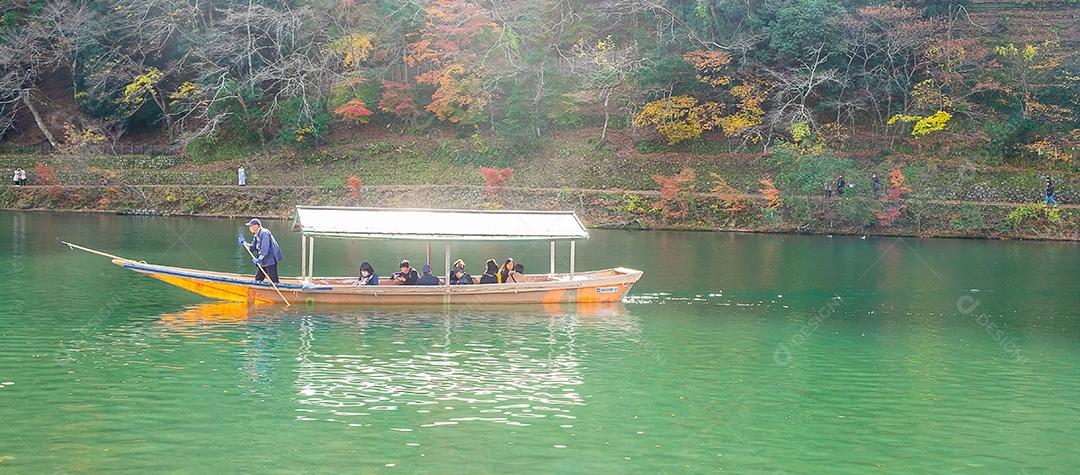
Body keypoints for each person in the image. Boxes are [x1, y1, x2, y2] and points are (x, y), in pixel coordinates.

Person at [238, 218, 284, 283]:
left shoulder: (264, 233)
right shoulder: (256, 235)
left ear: (256, 226)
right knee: (258, 278)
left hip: (270, 260)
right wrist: (244, 243)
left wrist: (259, 259)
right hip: (263, 261)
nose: (249, 228)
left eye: (250, 226)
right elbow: (252, 248)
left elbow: (265, 248)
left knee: (273, 279)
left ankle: (278, 288)